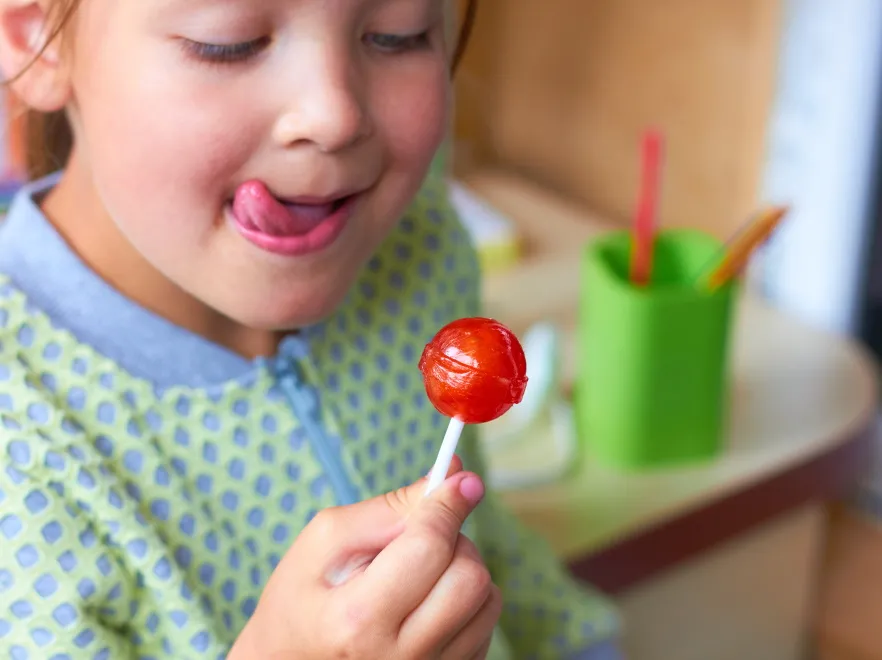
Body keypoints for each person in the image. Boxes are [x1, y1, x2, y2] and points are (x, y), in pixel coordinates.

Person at [0, 0, 622, 657]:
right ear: (36, 35)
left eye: (397, 33)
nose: (335, 115)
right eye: (228, 43)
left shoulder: (419, 251)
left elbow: (491, 546)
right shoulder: (19, 443)